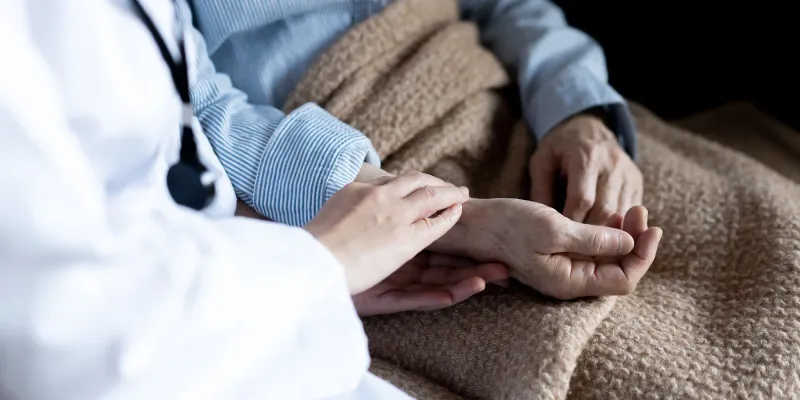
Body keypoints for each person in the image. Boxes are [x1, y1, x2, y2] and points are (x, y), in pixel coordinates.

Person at [186, 0, 660, 304]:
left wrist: (577, 110)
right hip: (336, 173)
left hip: (510, 101)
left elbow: (504, 6)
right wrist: (455, 221)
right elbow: (185, 103)